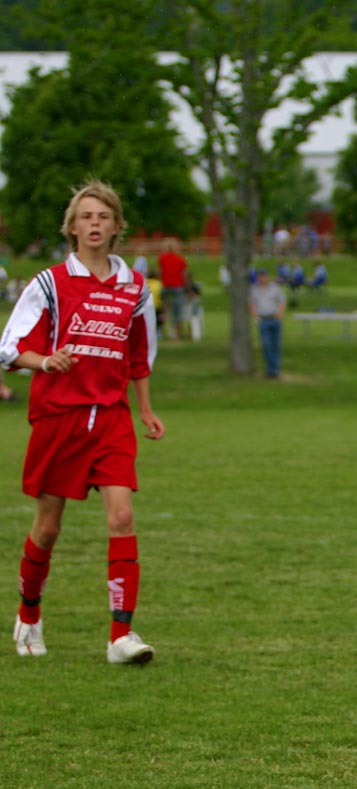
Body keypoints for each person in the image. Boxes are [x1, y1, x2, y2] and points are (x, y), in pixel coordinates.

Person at [0, 180, 165, 665]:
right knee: (48, 529)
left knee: (122, 516)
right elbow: (8, 347)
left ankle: (121, 636)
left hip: (111, 419)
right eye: (86, 216)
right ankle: (29, 612)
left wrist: (146, 409)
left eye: (104, 216)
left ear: (117, 227)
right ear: (72, 227)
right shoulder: (50, 283)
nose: (95, 223)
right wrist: (45, 362)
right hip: (60, 418)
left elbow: (140, 354)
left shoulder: (134, 287)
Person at [248, 269, 287, 379]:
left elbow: (282, 301)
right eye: (260, 277)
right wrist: (256, 316)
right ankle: (270, 369)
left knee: (275, 345)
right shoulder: (254, 290)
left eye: (264, 276)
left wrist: (279, 314)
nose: (262, 278)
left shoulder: (274, 288)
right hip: (263, 320)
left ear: (267, 277)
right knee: (266, 344)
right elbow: (251, 304)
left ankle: (275, 369)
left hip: (274, 319)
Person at [157, 238, 189, 340]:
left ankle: (160, 330)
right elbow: (184, 275)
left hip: (166, 286)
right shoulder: (180, 259)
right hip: (177, 287)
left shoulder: (162, 258)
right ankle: (176, 333)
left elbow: (160, 271)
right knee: (177, 311)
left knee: (162, 309)